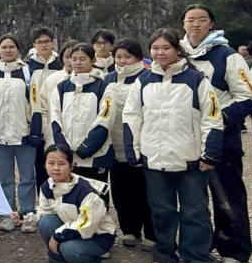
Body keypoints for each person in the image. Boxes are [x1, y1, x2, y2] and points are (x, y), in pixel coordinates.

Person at [123, 28, 223, 263]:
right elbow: (132, 116)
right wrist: (134, 150)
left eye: (166, 48)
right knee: (162, 211)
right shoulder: (143, 81)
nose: (160, 53)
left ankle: (198, 260)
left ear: (177, 49)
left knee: (195, 212)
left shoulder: (196, 79)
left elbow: (212, 117)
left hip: (190, 160)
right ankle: (165, 256)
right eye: (155, 48)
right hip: (154, 159)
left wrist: (210, 154)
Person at [180, 5, 252, 263]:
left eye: (202, 20)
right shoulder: (177, 54)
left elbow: (248, 97)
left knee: (227, 194)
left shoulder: (227, 56)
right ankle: (197, 246)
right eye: (190, 20)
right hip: (185, 139)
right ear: (183, 24)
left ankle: (234, 248)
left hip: (222, 139)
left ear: (211, 24)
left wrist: (216, 119)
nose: (196, 24)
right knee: (192, 197)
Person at [14, 145, 115, 263]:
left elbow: (86, 224)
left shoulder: (86, 191)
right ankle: (58, 261)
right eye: (51, 163)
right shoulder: (47, 186)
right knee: (45, 223)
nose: (56, 168)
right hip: (71, 227)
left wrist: (58, 236)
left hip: (98, 235)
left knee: (69, 249)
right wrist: (23, 218)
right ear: (45, 166)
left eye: (61, 164)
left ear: (71, 166)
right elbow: (43, 212)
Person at [104, 39, 155, 251]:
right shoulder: (108, 78)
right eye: (118, 57)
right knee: (122, 191)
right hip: (115, 143)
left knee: (146, 191)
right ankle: (129, 229)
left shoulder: (147, 76)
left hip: (141, 142)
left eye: (127, 56)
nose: (122, 61)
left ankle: (151, 232)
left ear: (138, 57)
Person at [0, 34, 36, 234]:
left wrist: (33, 127)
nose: (8, 50)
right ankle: (9, 215)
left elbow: (34, 101)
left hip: (23, 132)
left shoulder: (27, 72)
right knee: (5, 178)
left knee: (27, 177)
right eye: (4, 47)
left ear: (18, 49)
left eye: (11, 47)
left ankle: (27, 213)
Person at [49, 44, 114, 184]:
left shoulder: (104, 87)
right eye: (74, 59)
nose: (77, 63)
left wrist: (86, 148)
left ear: (92, 60)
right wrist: (64, 147)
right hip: (68, 156)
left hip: (95, 156)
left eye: (82, 59)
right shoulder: (61, 87)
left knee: (94, 194)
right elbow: (55, 118)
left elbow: (105, 120)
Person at [26, 26, 62, 190]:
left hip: (58, 117)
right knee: (41, 165)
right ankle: (43, 198)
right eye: (39, 42)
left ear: (52, 43)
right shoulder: (28, 67)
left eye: (47, 41)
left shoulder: (59, 64)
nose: (44, 45)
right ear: (34, 45)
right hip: (37, 119)